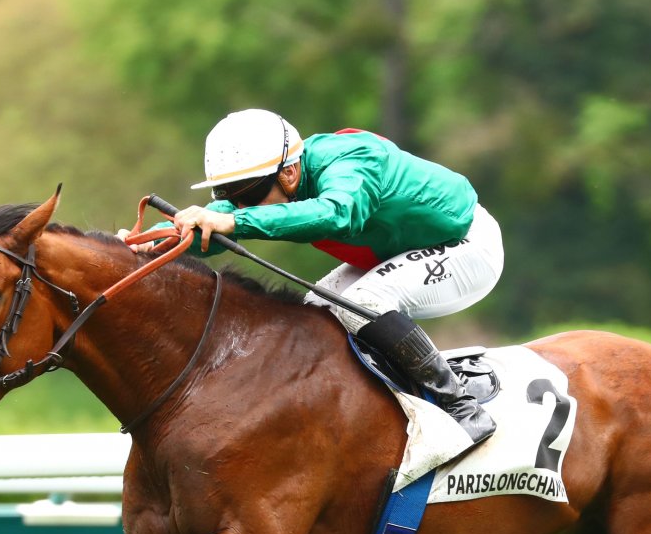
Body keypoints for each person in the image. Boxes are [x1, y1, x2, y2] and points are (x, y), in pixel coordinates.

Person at [143, 108, 502, 445]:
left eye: (248, 194)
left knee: (363, 303)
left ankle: (460, 406)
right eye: (227, 194)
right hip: (399, 253)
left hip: (465, 243)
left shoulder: (350, 159)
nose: (239, 206)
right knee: (312, 317)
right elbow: (213, 224)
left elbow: (337, 213)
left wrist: (233, 221)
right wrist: (145, 243)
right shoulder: (272, 179)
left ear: (289, 173)